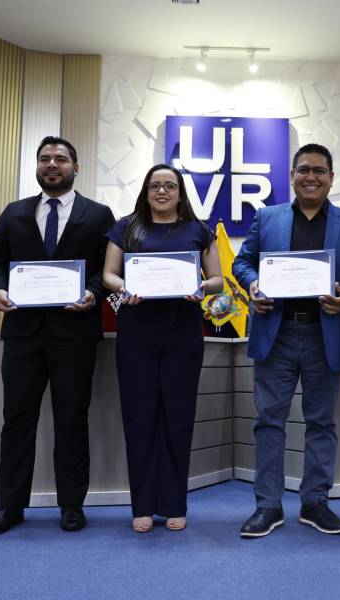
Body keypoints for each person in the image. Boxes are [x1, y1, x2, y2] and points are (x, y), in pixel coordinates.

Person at [233, 143, 340, 538]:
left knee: (321, 422)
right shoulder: (267, 217)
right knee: (268, 421)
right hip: (275, 332)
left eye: (319, 171)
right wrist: (254, 284)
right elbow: (242, 262)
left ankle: (315, 502)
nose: (310, 177)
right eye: (303, 170)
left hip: (324, 333)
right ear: (291, 176)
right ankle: (267, 506)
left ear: (332, 178)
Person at [0, 136, 115, 536]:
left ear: (76, 166)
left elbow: (108, 265)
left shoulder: (98, 213)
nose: (51, 164)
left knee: (71, 419)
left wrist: (94, 291)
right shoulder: (15, 212)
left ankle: (71, 505)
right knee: (17, 420)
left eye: (60, 159)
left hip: (75, 333)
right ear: (37, 167)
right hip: (22, 332)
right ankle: (9, 507)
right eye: (44, 159)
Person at [102, 164, 223, 533]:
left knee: (178, 416)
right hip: (137, 330)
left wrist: (201, 288)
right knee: (139, 417)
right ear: (146, 190)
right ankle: (142, 504)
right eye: (155, 185)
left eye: (169, 185)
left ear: (180, 192)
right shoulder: (127, 226)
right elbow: (108, 274)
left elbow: (217, 278)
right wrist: (124, 289)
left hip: (182, 332)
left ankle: (173, 502)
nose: (162, 191)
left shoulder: (198, 230)